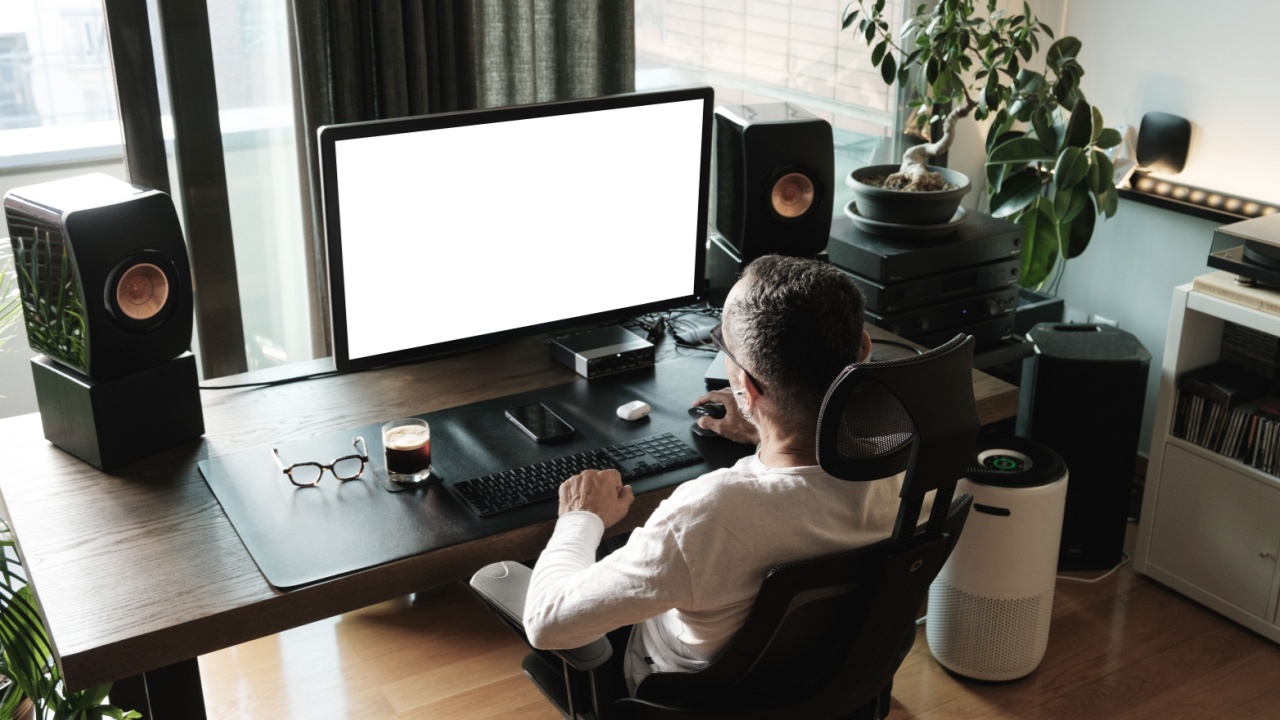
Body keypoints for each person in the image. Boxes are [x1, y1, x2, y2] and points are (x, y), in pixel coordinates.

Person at [522, 254, 904, 697]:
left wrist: (580, 517)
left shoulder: (709, 514)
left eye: (721, 343)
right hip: (830, 681)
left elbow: (547, 623)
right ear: (863, 348)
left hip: (691, 696)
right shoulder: (916, 465)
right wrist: (764, 426)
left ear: (747, 383)